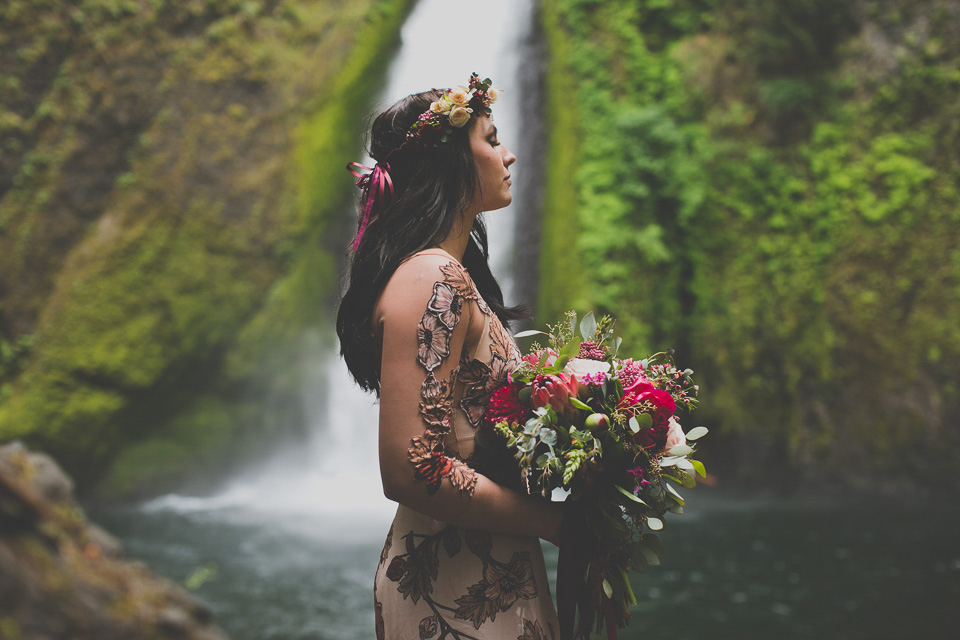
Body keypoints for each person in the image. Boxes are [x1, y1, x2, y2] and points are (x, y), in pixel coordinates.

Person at [337, 74, 563, 640]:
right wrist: (560, 523)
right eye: (491, 139)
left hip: (484, 568)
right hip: (452, 587)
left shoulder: (451, 276)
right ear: (452, 165)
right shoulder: (431, 276)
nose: (509, 154)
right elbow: (413, 470)